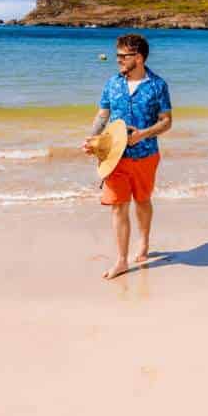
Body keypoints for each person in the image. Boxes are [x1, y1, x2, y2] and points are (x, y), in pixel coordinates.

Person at [83, 33, 172, 279]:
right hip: (114, 156)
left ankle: (143, 242)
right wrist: (92, 138)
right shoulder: (112, 83)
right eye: (117, 56)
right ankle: (121, 260)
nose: (119, 60)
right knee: (118, 207)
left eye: (124, 56)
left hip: (146, 155)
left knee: (142, 201)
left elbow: (166, 122)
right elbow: (103, 114)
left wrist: (143, 134)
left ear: (139, 57)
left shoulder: (158, 85)